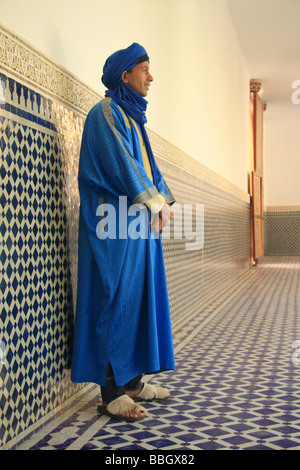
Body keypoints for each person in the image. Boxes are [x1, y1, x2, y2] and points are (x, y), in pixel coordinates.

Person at [71, 43, 175, 422]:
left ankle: (133, 382)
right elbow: (123, 165)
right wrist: (155, 202)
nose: (151, 77)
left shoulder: (133, 118)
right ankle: (110, 392)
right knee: (114, 298)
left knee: (138, 298)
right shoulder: (106, 113)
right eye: (144, 69)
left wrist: (163, 201)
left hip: (136, 226)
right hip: (112, 227)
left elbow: (150, 172)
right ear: (124, 75)